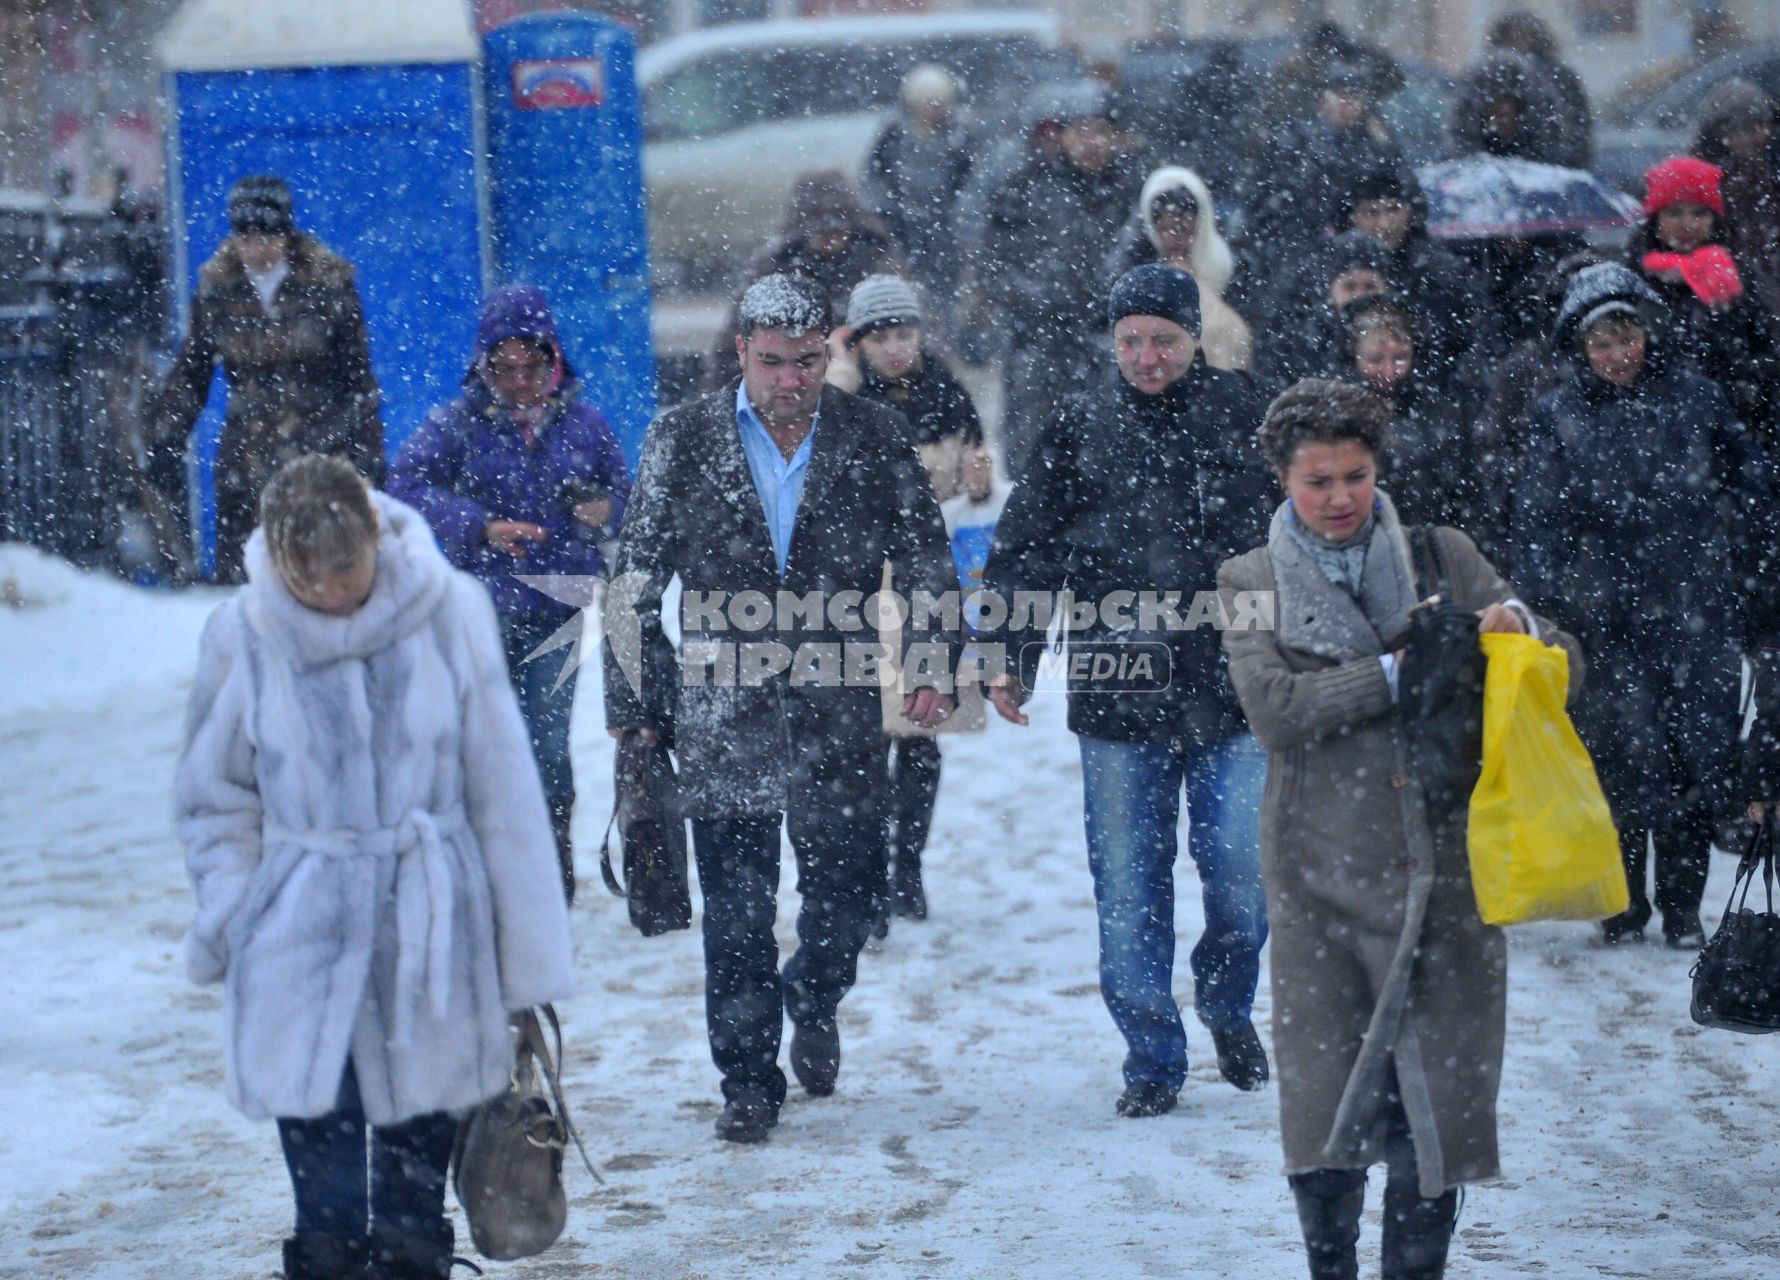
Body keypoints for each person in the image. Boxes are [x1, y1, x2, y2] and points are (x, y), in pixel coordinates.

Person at [173, 454, 575, 1280]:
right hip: (297, 929)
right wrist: (238, 907)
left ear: (376, 539)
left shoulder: (449, 612)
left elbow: (501, 789)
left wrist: (524, 950)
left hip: (433, 926)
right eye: (305, 575)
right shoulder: (242, 633)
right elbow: (215, 797)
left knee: (413, 1202)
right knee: (322, 1193)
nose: (328, 592)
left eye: (345, 567)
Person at [1219, 378, 1578, 1280]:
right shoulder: (1247, 579)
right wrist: (1394, 671)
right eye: (1317, 481)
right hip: (1317, 874)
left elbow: (1560, 659)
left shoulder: (1441, 557)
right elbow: (1274, 709)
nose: (1340, 498)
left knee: (1437, 1099)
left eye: (1357, 475)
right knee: (1328, 1099)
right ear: (1282, 480)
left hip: (1445, 870)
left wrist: (1517, 628)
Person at [603, 274, 961, 1144]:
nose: (791, 381)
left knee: (849, 897)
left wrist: (930, 660)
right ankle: (748, 1079)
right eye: (772, 363)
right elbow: (632, 584)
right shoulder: (681, 438)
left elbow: (923, 555)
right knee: (736, 910)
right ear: (741, 355)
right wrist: (638, 705)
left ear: (829, 352)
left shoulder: (873, 434)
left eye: (806, 362)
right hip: (722, 702)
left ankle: (813, 991)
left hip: (838, 699)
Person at [984, 265, 1274, 1118]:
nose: (1147, 357)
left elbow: (1298, 534)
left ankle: (1226, 1000)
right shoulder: (1078, 424)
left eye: (1165, 341)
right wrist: (1011, 653)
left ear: (1195, 339)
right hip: (1118, 684)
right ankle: (1151, 1054)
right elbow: (1026, 548)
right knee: (1128, 880)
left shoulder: (1247, 414)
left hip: (1235, 681)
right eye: (1131, 341)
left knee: (1240, 866)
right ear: (1112, 342)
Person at [1514, 263, 1779, 948]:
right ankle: (1624, 902)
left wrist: (1755, 573)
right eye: (1599, 344)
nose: (1615, 355)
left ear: (1646, 336)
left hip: (1696, 599)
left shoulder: (1696, 398)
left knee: (1696, 756)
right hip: (1604, 612)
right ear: (1579, 348)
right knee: (1620, 759)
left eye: (1625, 338)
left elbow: (1751, 485)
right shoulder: (1558, 414)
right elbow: (1539, 517)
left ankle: (1684, 908)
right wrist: (1543, 602)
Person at [388, 285, 631, 903]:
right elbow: (404, 483)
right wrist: (479, 527)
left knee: (549, 745)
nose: (520, 381)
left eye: (533, 366)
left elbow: (630, 499)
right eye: (505, 368)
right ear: (484, 365)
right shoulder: (457, 425)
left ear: (555, 360)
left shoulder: (586, 424)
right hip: (483, 611)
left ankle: (551, 872)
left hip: (560, 610)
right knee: (491, 743)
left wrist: (603, 511)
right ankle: (499, 870)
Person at [826, 273, 991, 929]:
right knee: (863, 740)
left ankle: (907, 870)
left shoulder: (949, 396)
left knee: (923, 736)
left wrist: (980, 490)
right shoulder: (842, 402)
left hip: (931, 584)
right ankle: (867, 874)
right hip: (862, 592)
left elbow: (978, 502)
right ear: (858, 342)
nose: (894, 349)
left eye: (904, 334)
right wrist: (838, 378)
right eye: (880, 338)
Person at [147, 175, 383, 582]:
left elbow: (358, 380)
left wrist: (370, 460)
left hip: (321, 455)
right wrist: (167, 437)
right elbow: (193, 370)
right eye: (246, 237)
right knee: (249, 584)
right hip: (247, 461)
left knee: (320, 574)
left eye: (267, 236)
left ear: (285, 234)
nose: (257, 248)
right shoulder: (217, 290)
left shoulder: (329, 286)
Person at [981, 80, 1146, 475]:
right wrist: (1037, 299)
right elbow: (993, 265)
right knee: (1037, 449)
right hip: (1038, 340)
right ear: (1063, 136)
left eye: (1101, 130)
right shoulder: (1024, 188)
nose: (1092, 142)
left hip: (1112, 337)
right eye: (1081, 131)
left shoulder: (1135, 190)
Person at [1629, 155, 1780, 455]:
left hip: (1732, 429)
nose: (1688, 225)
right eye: (1674, 213)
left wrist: (1742, 383)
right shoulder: (1634, 278)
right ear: (1655, 220)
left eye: (1699, 213)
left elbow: (1766, 351)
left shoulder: (1738, 275)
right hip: (1654, 434)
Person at [703, 170, 906, 391]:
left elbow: (917, 328)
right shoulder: (775, 268)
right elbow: (735, 342)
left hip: (876, 380)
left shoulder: (877, 258)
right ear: (804, 233)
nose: (830, 239)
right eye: (821, 232)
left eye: (837, 231)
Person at [1334, 294, 1484, 538]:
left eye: (1400, 358)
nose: (1389, 372)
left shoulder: (1441, 412)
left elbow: (1467, 498)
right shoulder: (1330, 413)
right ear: (1353, 357)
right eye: (1375, 359)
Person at [1104, 164, 1255, 371]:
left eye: (1183, 228)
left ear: (1199, 225)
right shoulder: (1135, 263)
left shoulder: (1230, 266)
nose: (1173, 237)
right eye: (1164, 229)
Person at [860, 64, 974, 333]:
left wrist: (956, 216)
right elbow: (873, 179)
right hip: (902, 229)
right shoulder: (893, 135)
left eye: (941, 103)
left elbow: (971, 183)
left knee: (942, 295)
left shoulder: (960, 136)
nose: (936, 110)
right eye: (929, 103)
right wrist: (891, 213)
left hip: (944, 231)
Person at [1694, 78, 1780, 316]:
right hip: (1728, 292)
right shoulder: (1706, 180)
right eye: (1747, 129)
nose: (1759, 136)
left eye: (1764, 126)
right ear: (1722, 133)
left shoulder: (1768, 171)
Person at [1486, 11, 1594, 170]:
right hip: (1502, 164)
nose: (1517, 43)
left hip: (1554, 164)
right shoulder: (1490, 76)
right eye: (1511, 37)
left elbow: (1578, 123)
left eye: (1523, 36)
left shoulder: (1560, 76)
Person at [1448, 52, 1563, 165]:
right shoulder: (1460, 170)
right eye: (1492, 106)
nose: (1502, 116)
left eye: (1512, 107)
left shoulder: (1550, 170)